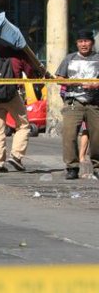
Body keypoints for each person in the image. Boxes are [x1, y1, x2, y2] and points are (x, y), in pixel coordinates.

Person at [0, 41, 38, 173]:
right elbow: (31, 73)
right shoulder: (18, 55)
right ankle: (16, 155)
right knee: (23, 125)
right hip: (12, 95)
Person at [56, 28, 99, 180]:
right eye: (80, 41)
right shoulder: (69, 58)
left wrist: (95, 85)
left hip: (94, 102)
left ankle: (97, 166)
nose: (83, 44)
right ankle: (72, 167)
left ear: (92, 43)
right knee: (69, 134)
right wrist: (72, 82)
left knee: (96, 136)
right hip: (73, 101)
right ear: (77, 43)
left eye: (86, 41)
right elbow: (59, 78)